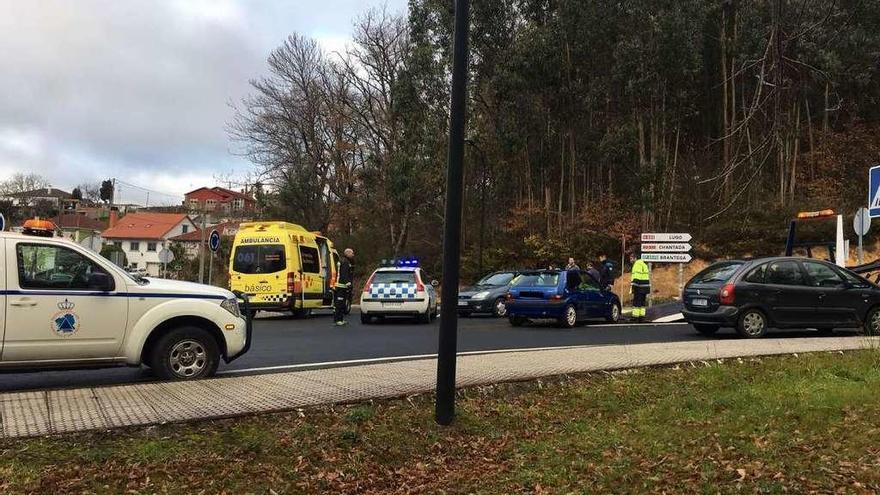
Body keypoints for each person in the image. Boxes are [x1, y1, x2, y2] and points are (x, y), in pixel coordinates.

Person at [334, 248, 355, 326]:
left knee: (341, 303)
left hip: (340, 285)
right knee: (340, 304)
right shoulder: (345, 262)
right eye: (352, 253)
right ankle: (338, 320)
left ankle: (340, 319)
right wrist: (348, 284)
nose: (353, 255)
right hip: (341, 286)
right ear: (347, 253)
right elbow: (344, 274)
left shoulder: (342, 260)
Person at [629, 252, 651, 322]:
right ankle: (642, 316)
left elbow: (637, 276)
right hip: (645, 287)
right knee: (642, 302)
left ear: (635, 258)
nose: (630, 260)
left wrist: (633, 287)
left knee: (637, 302)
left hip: (639, 286)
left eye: (631, 258)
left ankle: (635, 317)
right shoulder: (644, 264)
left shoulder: (637, 264)